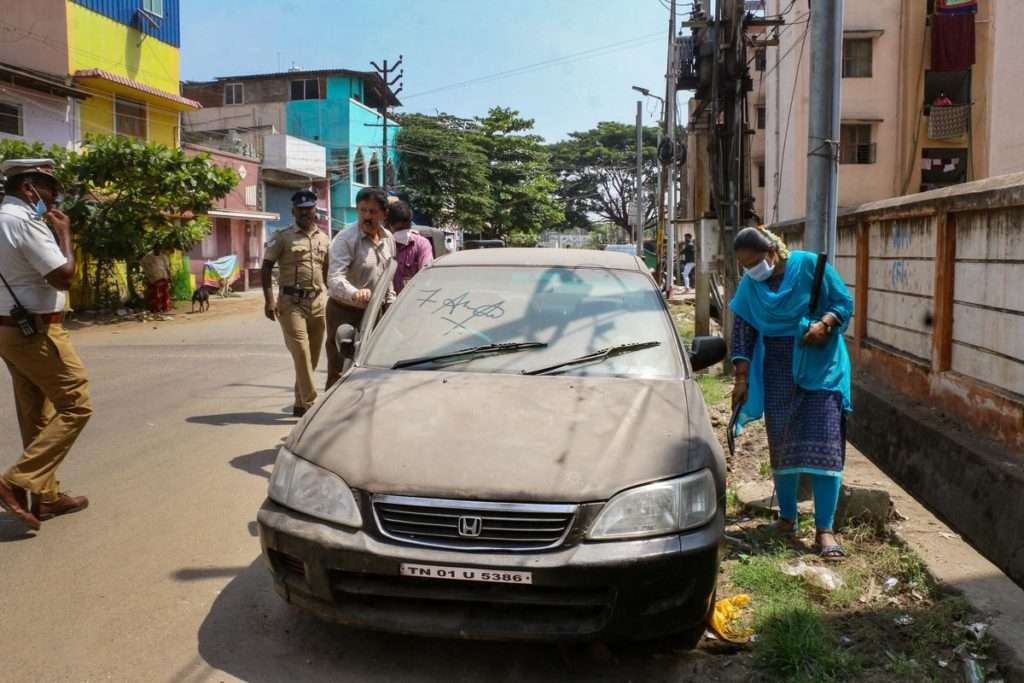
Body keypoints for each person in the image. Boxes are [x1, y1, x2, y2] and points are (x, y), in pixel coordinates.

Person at [728, 227, 853, 560]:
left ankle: (825, 530)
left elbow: (843, 302)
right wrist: (741, 378)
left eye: (755, 262)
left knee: (825, 447)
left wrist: (824, 324)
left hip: (820, 367)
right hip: (778, 370)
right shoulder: (751, 286)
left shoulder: (810, 266)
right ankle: (787, 519)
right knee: (782, 445)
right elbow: (743, 330)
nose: (751, 270)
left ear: (772, 252)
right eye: (745, 266)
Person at [0, 158, 92, 531]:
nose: (53, 201)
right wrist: (65, 234)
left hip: (8, 329)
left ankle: (48, 497)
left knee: (36, 413)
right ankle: (15, 481)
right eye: (50, 191)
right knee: (76, 404)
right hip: (36, 330)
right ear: (28, 188)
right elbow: (63, 277)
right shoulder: (24, 221)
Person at [262, 189, 330, 417]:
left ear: (315, 211)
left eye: (308, 209)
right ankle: (312, 406)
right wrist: (269, 300)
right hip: (291, 303)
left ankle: (300, 402)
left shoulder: (324, 238)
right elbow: (266, 266)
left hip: (318, 302)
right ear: (293, 212)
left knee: (312, 356)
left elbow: (328, 271)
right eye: (300, 210)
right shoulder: (283, 236)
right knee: (300, 351)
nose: (305, 213)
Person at [325, 187, 395, 388]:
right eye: (362, 210)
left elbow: (388, 274)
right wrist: (355, 293)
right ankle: (331, 414)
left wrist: (391, 303)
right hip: (344, 311)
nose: (367, 216)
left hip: (375, 312)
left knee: (373, 367)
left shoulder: (388, 238)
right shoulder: (345, 239)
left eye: (373, 212)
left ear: (384, 214)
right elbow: (335, 278)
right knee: (338, 368)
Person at [388, 200, 432, 294]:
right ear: (390, 226)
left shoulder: (422, 244)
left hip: (412, 300)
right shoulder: (384, 245)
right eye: (399, 229)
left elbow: (426, 273)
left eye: (406, 228)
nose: (403, 233)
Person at [140, 246, 172, 313]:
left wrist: (170, 277)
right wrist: (147, 274)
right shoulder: (148, 257)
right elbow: (142, 263)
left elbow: (167, 268)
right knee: (155, 296)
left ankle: (165, 308)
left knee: (164, 294)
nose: (157, 250)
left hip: (163, 277)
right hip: (153, 279)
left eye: (159, 249)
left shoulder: (163, 257)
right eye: (156, 249)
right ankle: (155, 309)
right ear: (153, 249)